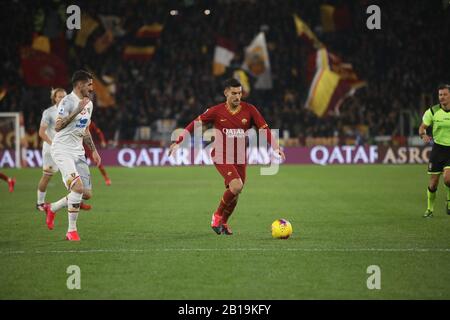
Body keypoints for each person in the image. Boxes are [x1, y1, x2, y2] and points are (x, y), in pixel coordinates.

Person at [169, 78, 285, 235]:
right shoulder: (216, 111)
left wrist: (276, 147)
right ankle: (216, 216)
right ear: (226, 93)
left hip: (240, 157)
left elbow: (264, 129)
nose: (238, 96)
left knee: (235, 193)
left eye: (240, 93)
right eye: (234, 93)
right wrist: (178, 141)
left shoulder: (250, 110)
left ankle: (223, 222)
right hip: (221, 154)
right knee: (236, 186)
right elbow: (195, 124)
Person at [42, 70, 101, 241]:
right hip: (62, 149)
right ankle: (71, 231)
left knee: (86, 193)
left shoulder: (88, 104)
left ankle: (52, 208)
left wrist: (94, 151)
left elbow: (85, 129)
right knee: (77, 188)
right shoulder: (67, 102)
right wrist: (76, 110)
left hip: (78, 151)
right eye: (89, 84)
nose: (91, 87)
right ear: (80, 84)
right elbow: (58, 127)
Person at [36, 88, 91, 212]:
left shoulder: (72, 108)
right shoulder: (49, 112)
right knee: (47, 176)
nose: (62, 98)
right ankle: (40, 203)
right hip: (52, 148)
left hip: (68, 149)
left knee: (77, 178)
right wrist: (53, 143)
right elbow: (41, 132)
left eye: (63, 96)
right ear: (54, 98)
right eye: (59, 96)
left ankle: (77, 201)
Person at [419, 84, 450, 217]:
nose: (442, 97)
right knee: (433, 183)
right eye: (440, 95)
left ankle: (449, 201)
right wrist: (423, 135)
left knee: (448, 179)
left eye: (444, 94)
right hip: (438, 149)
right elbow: (422, 128)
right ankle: (430, 209)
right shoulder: (432, 111)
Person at [85, 121, 111, 186]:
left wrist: (102, 140)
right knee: (78, 165)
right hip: (78, 146)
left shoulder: (90, 122)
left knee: (97, 162)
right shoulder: (76, 121)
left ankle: (106, 178)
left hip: (88, 147)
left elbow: (98, 132)